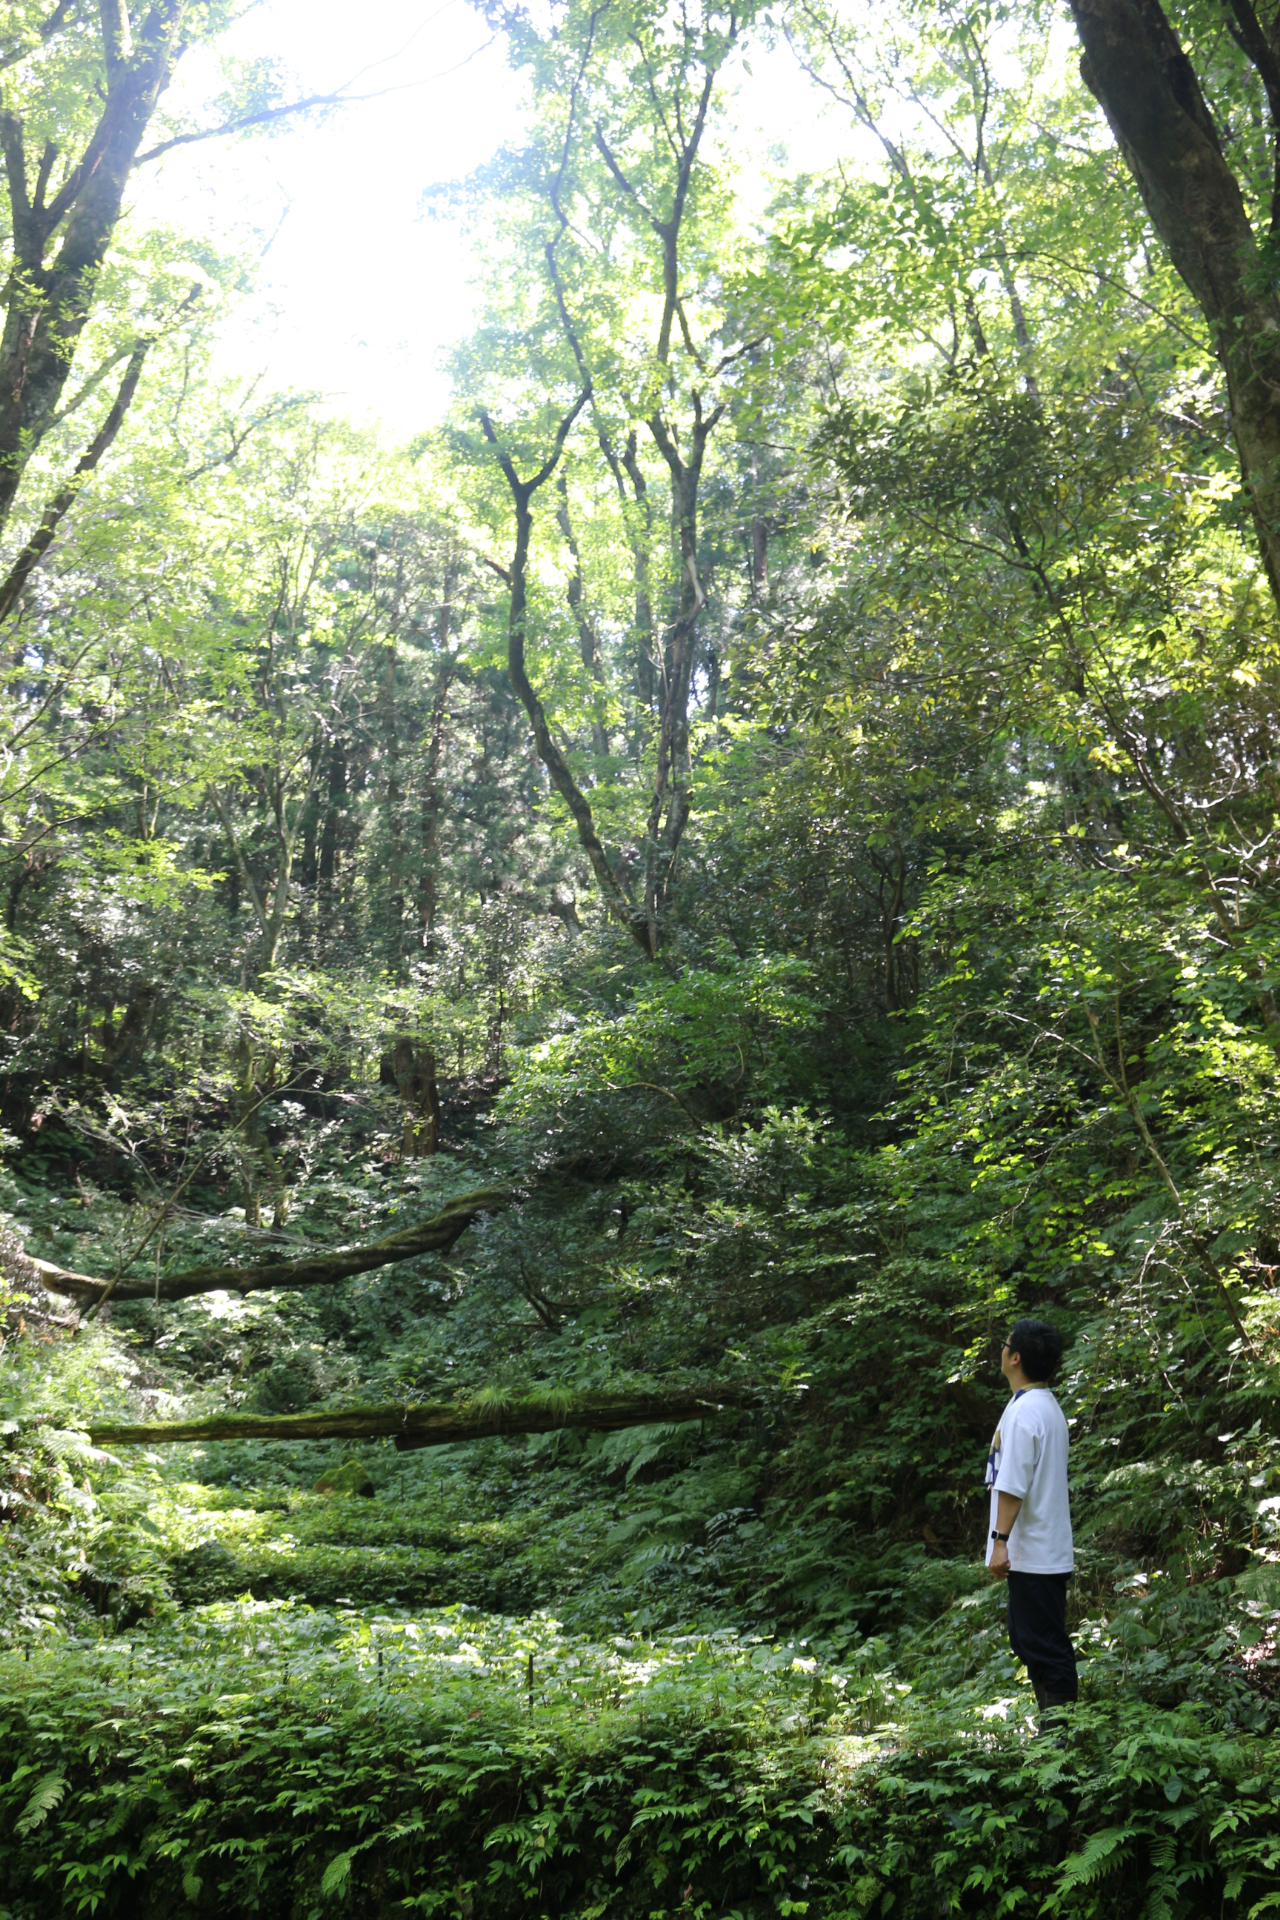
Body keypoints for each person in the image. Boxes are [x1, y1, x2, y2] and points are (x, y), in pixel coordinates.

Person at [985, 1317, 1078, 1724]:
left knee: (1046, 1649)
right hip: (1041, 1553)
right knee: (1029, 1642)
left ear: (1015, 1357)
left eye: (1005, 1345)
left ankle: (1061, 1741)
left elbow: (1012, 1483)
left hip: (1034, 1554)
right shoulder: (1043, 1405)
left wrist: (999, 1540)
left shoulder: (1027, 1413)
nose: (1001, 1350)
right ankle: (1054, 1736)